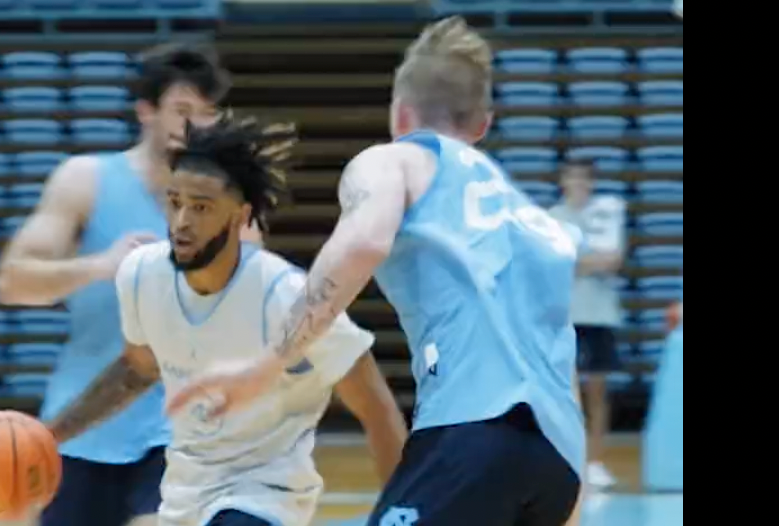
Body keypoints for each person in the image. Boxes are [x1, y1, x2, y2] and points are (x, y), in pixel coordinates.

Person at [167, 17, 586, 526]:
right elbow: (560, 350)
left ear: (400, 112)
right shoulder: (533, 222)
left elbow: (364, 242)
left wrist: (265, 365)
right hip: (559, 463)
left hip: (473, 430)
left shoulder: (396, 161)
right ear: (482, 125)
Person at [44, 115, 408, 526]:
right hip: (184, 494)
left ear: (240, 216)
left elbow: (374, 405)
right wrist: (52, 434)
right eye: (175, 201)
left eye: (201, 208)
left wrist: (406, 513)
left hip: (266, 496)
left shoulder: (287, 295)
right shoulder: (142, 275)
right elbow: (136, 369)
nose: (181, 222)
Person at [0, 44, 255, 526]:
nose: (195, 125)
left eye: (207, 114)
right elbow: (13, 283)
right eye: (181, 111)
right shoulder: (85, 180)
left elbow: (255, 310)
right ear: (146, 112)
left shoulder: (230, 205)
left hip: (182, 428)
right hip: (84, 421)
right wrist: (101, 266)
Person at [549, 159, 627, 490]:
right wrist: (587, 261)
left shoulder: (605, 216)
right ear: (563, 181)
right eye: (572, 176)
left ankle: (595, 462)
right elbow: (555, 265)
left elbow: (613, 261)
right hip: (563, 315)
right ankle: (565, 460)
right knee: (563, 393)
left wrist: (580, 261)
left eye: (584, 178)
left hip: (598, 315)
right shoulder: (552, 218)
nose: (578, 183)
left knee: (597, 392)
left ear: (592, 183)